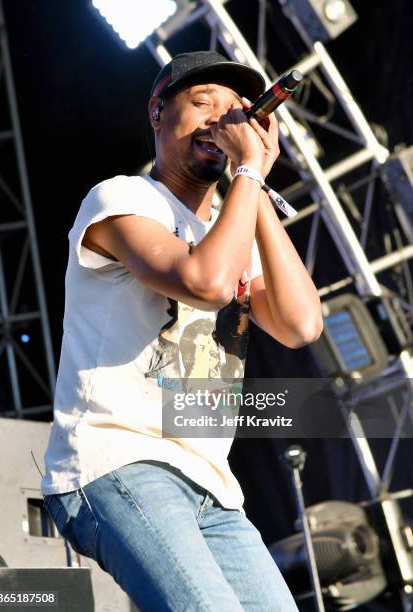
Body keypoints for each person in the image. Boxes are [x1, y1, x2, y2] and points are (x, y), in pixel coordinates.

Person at [41, 50, 323, 611]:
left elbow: (302, 324)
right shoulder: (123, 197)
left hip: (213, 488)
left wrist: (256, 177)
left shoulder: (232, 223)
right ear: (157, 113)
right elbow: (207, 282)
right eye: (202, 104)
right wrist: (245, 173)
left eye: (235, 111)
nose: (221, 120)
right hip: (119, 459)